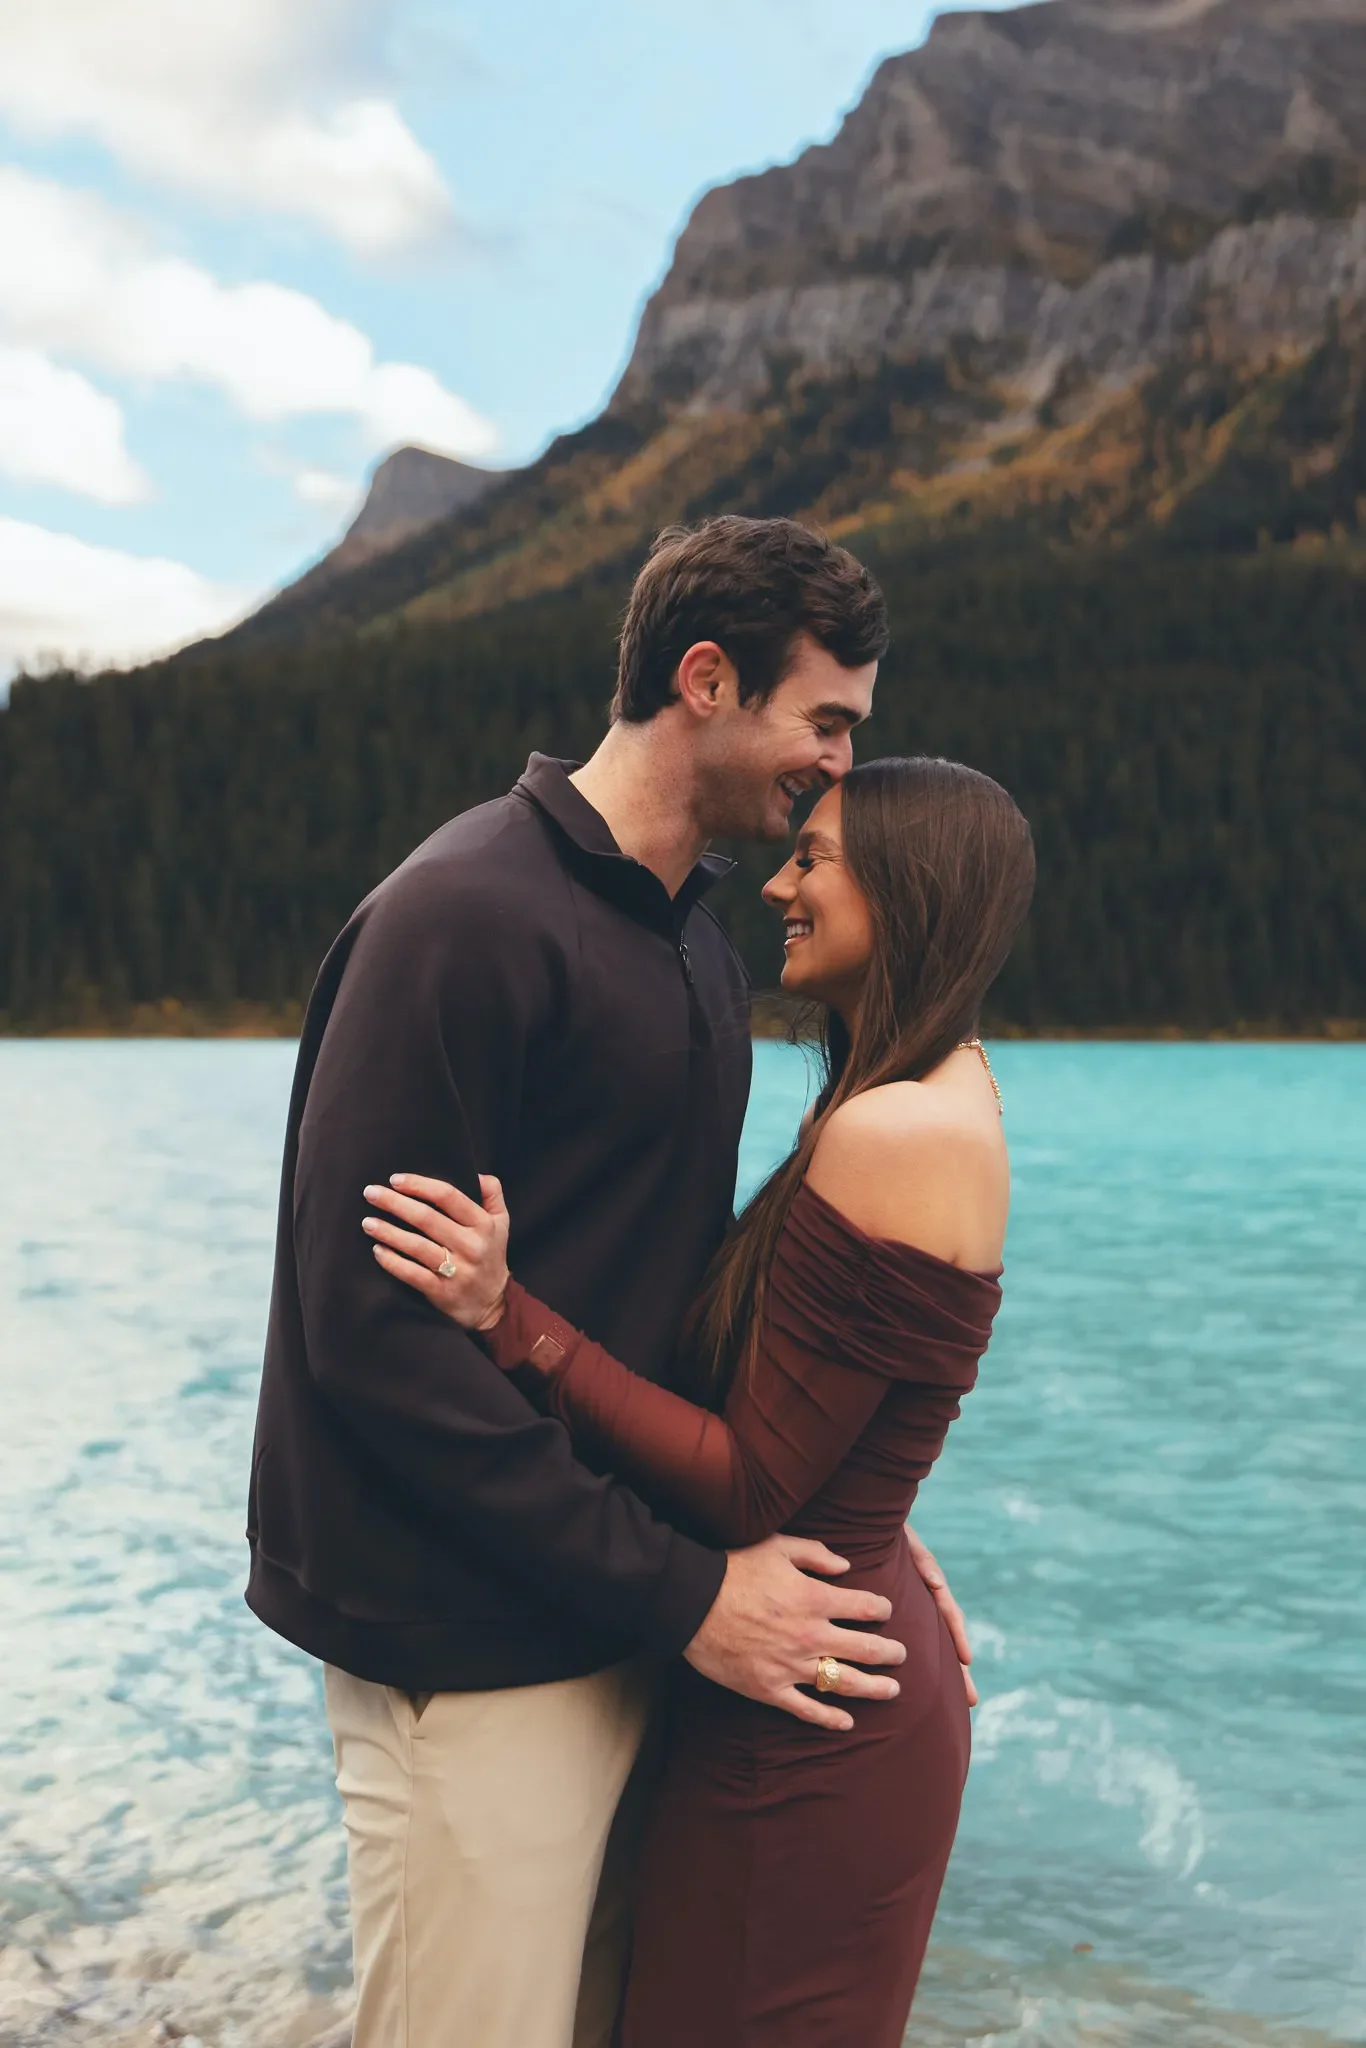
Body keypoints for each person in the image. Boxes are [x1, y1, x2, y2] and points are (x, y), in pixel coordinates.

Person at [245, 517, 972, 2048]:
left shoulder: (697, 950)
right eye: (823, 721)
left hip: (624, 1625)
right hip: (469, 1650)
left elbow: (687, 1312)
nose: (837, 767)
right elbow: (368, 1342)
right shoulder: (461, 916)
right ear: (705, 679)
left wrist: (848, 1527)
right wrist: (689, 1593)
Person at [363, 755, 1036, 2048]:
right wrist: (881, 1522)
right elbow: (842, 1405)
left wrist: (511, 1318)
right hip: (831, 1647)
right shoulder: (936, 1083)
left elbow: (747, 1480)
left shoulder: (892, 1130)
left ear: (906, 887)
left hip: (807, 1707)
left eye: (815, 859)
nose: (777, 880)